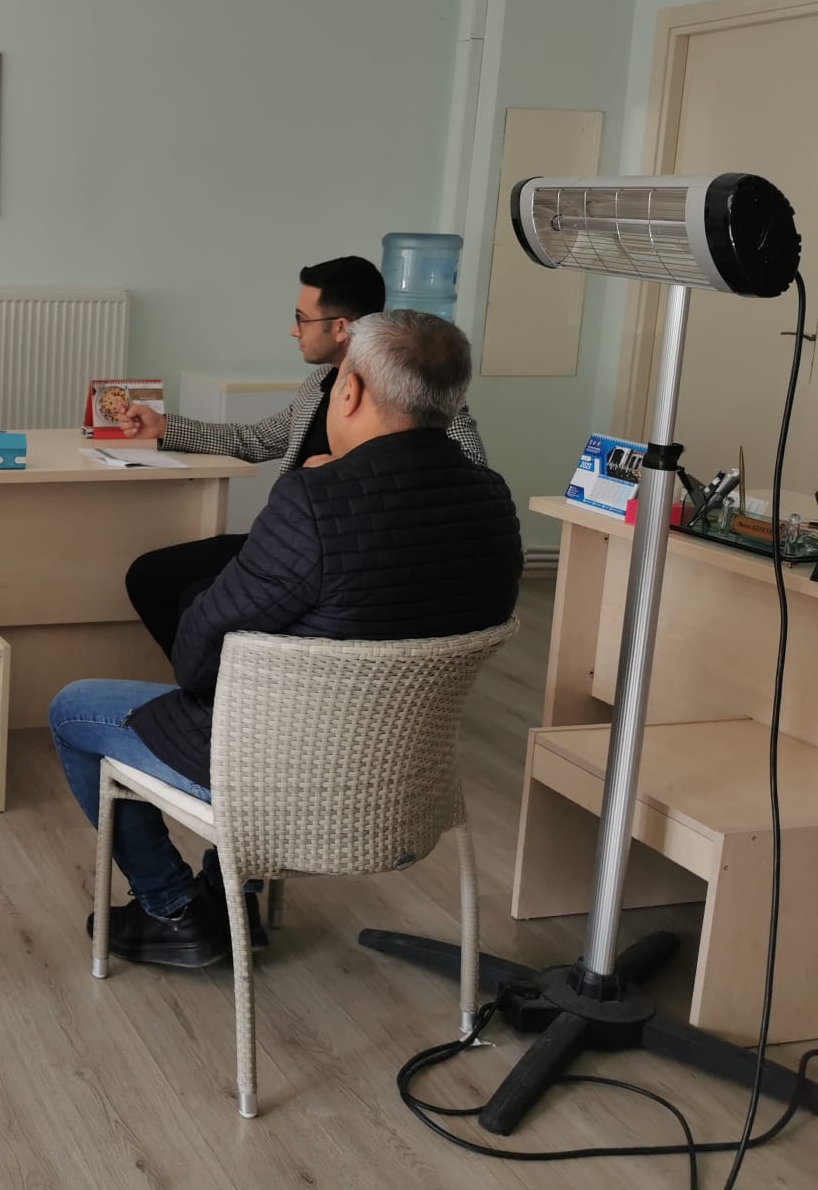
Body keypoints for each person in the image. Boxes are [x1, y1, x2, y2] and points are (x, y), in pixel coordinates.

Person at [52, 310, 521, 969]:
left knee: (74, 710)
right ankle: (228, 894)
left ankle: (173, 910)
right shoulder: (494, 501)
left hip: (279, 778)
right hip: (408, 784)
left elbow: (194, 660)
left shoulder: (313, 501)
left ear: (350, 391)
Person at [121, 256, 486, 657]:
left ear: (340, 327)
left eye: (302, 319)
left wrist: (347, 476)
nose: (294, 330)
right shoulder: (319, 384)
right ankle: (215, 685)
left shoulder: (415, 395)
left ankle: (219, 685)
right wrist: (165, 428)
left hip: (352, 556)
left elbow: (469, 468)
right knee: (154, 577)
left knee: (198, 597)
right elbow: (258, 439)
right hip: (289, 540)